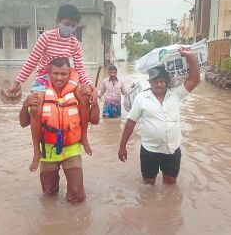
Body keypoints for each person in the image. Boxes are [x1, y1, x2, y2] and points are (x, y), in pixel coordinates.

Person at [8, 4, 97, 171]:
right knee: (35, 107)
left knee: (84, 99)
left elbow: (79, 69)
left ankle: (84, 138)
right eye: (67, 23)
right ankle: (37, 152)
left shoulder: (75, 44)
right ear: (58, 21)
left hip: (68, 76)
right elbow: (32, 60)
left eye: (73, 25)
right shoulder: (46, 37)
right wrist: (17, 82)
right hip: (44, 76)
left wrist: (92, 87)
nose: (70, 27)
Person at [19, 57, 100, 203]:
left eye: (63, 74)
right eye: (55, 73)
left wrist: (95, 102)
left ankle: (84, 140)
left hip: (71, 150)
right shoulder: (40, 93)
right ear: (49, 73)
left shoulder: (78, 93)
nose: (59, 77)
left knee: (77, 197)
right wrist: (25, 105)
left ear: (70, 74)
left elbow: (95, 120)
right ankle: (36, 154)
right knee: (49, 195)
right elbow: (23, 123)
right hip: (47, 151)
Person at [118, 48, 200, 185]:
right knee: (148, 186)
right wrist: (122, 147)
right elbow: (130, 123)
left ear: (167, 81)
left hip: (172, 150)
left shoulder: (176, 93)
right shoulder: (141, 98)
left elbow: (195, 79)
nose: (159, 84)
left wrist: (190, 57)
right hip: (149, 151)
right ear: (149, 82)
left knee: (170, 184)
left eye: (162, 81)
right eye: (155, 81)